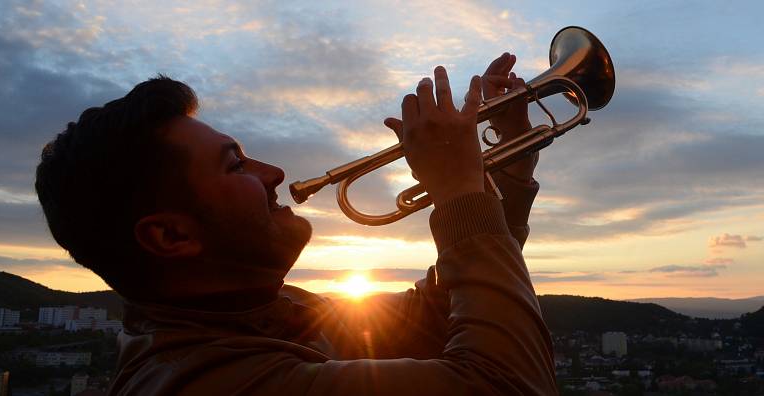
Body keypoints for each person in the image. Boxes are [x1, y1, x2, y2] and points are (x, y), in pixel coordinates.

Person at [35, 53, 557, 395]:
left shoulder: (263, 312)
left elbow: (435, 319)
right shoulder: (204, 381)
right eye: (236, 164)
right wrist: (460, 190)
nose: (275, 173)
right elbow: (508, 384)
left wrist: (503, 178)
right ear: (171, 236)